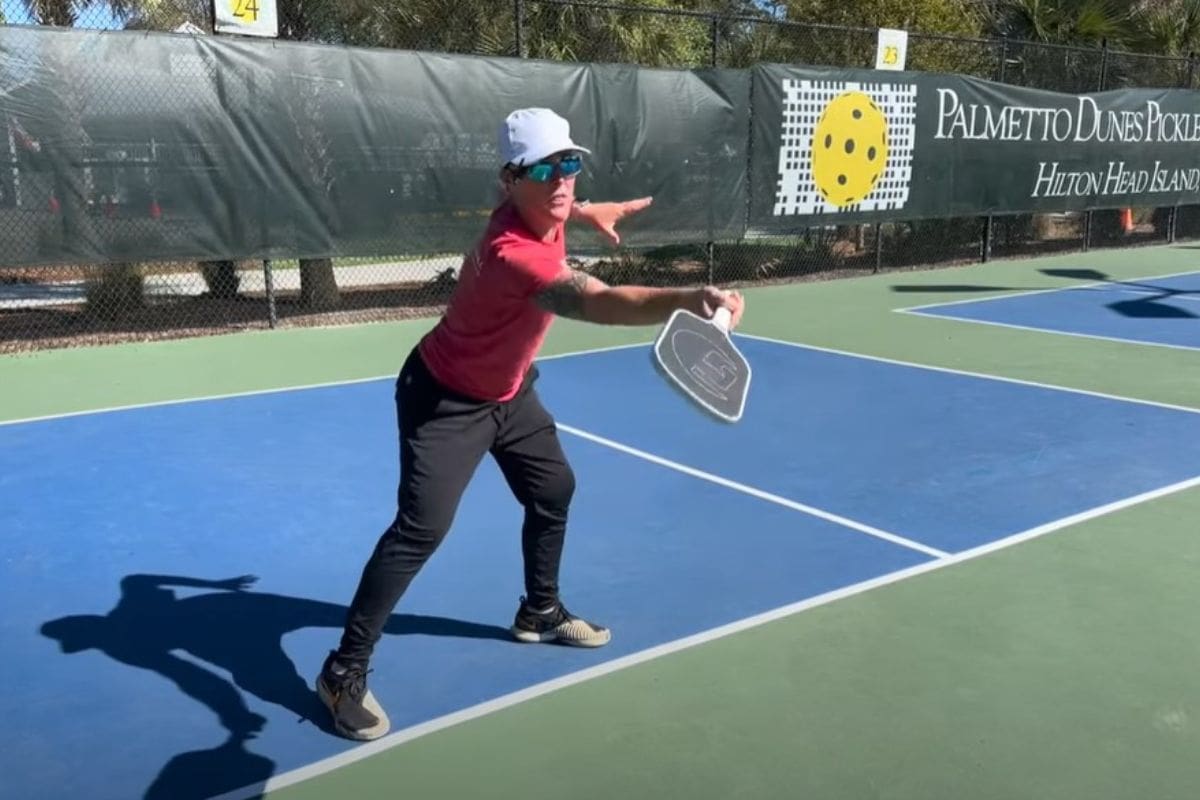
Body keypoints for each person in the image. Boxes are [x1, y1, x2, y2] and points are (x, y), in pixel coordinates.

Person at [316, 107, 745, 741]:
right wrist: (688, 298)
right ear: (509, 179)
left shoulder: (543, 207)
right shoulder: (511, 252)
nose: (563, 178)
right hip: (445, 400)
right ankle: (341, 670)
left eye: (571, 162)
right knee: (420, 531)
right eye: (547, 168)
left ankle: (539, 609)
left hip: (510, 392)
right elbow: (597, 301)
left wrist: (587, 209)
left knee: (554, 489)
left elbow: (558, 205)